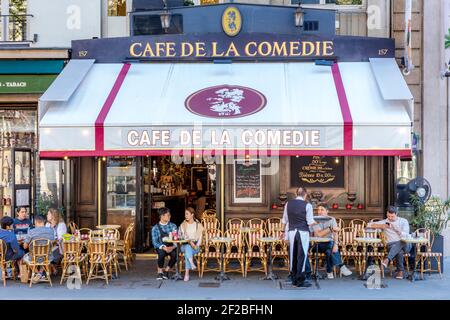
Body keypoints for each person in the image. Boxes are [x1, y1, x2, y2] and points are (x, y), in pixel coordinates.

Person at [281, 187, 315, 288]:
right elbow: (310, 222)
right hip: (303, 233)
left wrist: (283, 233)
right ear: (305, 195)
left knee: (293, 255)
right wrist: (317, 222)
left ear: (296, 194)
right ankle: (300, 280)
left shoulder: (288, 204)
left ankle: (294, 279)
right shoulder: (308, 205)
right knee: (302, 256)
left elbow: (284, 220)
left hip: (291, 232)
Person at [367, 206, 414, 279]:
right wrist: (382, 226)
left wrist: (397, 230)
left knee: (402, 241)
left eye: (392, 216)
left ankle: (387, 259)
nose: (390, 218)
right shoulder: (385, 221)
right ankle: (400, 272)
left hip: (405, 244)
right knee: (399, 251)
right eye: (388, 216)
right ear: (386, 214)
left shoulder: (403, 221)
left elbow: (407, 235)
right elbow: (369, 225)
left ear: (396, 214)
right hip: (391, 245)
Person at [310, 204, 352, 279]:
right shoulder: (315, 220)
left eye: (322, 210)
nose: (319, 212)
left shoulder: (332, 219)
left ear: (327, 211)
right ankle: (341, 266)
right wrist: (330, 228)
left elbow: (335, 232)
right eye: (318, 210)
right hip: (317, 245)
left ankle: (329, 271)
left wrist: (336, 244)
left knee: (329, 251)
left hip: (329, 244)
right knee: (330, 244)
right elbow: (319, 234)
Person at [22, 215, 55, 281]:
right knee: (44, 256)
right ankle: (40, 273)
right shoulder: (51, 231)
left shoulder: (31, 232)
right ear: (44, 222)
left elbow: (25, 247)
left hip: (34, 258)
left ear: (36, 222)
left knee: (24, 257)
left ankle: (37, 273)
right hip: (47, 257)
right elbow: (52, 242)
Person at [151, 207, 178, 280]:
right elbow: (155, 242)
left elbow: (176, 239)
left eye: (169, 215)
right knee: (162, 254)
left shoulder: (173, 226)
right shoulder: (155, 228)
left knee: (175, 255)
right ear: (162, 216)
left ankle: (166, 271)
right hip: (161, 247)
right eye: (168, 215)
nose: (170, 216)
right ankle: (160, 272)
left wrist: (172, 247)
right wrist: (163, 247)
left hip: (171, 246)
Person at [179, 207, 204, 282]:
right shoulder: (183, 225)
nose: (185, 215)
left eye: (187, 214)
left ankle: (187, 274)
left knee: (188, 251)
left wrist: (197, 246)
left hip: (196, 246)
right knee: (187, 247)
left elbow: (200, 238)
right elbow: (182, 237)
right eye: (185, 214)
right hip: (184, 245)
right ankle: (191, 263)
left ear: (192, 215)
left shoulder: (198, 225)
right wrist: (189, 242)